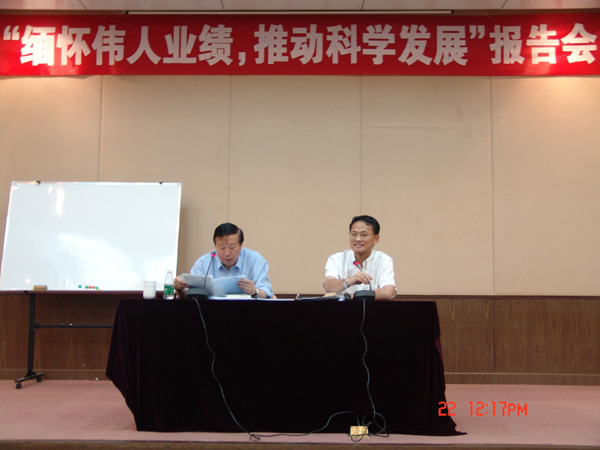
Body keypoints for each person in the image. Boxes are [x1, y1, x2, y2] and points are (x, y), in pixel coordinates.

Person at [174, 223, 273, 299]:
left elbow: (267, 293)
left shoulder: (255, 260)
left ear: (241, 245)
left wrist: (254, 291)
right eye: (222, 247)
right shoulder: (203, 263)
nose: (227, 253)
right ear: (215, 245)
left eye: (232, 247)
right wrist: (179, 289)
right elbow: (190, 297)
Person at [323, 215, 396, 300]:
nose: (357, 239)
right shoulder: (336, 259)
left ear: (376, 239)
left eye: (364, 235)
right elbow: (329, 286)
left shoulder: (383, 260)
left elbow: (388, 292)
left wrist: (352, 296)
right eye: (354, 234)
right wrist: (349, 281)